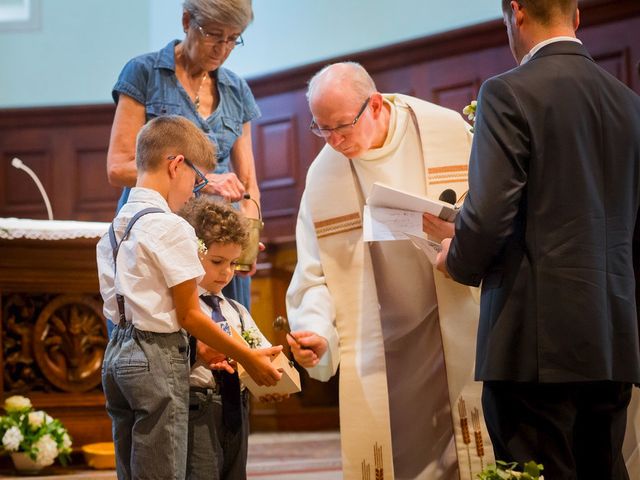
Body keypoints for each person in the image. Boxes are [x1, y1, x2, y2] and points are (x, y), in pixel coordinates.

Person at [426, 1, 640, 478]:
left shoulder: (507, 92)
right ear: (576, 16)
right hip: (612, 334)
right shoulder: (629, 102)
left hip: (533, 343)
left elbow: (488, 217)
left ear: (516, 12)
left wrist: (454, 260)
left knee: (534, 472)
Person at [286, 62, 493, 480]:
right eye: (321, 129)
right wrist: (317, 331)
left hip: (454, 318)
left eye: (342, 127)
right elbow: (316, 274)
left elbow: (495, 220)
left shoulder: (446, 133)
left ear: (376, 105)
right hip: (379, 342)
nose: (333, 141)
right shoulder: (323, 174)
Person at [97, 115, 282, 480]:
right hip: (157, 356)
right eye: (197, 180)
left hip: (117, 354)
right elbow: (190, 316)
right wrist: (249, 358)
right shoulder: (170, 226)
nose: (195, 191)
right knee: (162, 472)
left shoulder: (117, 224)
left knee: (131, 470)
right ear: (176, 164)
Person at [106, 0, 260, 311]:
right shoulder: (145, 73)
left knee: (229, 344)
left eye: (233, 38)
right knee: (165, 340)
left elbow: (247, 184)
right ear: (187, 21)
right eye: (214, 34)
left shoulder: (236, 89)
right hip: (160, 236)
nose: (222, 48)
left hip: (219, 247)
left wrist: (248, 243)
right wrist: (205, 181)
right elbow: (118, 168)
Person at [179, 197, 285, 480]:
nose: (227, 272)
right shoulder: (185, 309)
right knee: (201, 472)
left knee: (234, 473)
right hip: (198, 408)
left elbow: (260, 351)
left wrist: (277, 375)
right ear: (191, 251)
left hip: (236, 406)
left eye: (233, 263)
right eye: (217, 262)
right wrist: (199, 351)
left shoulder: (235, 310)